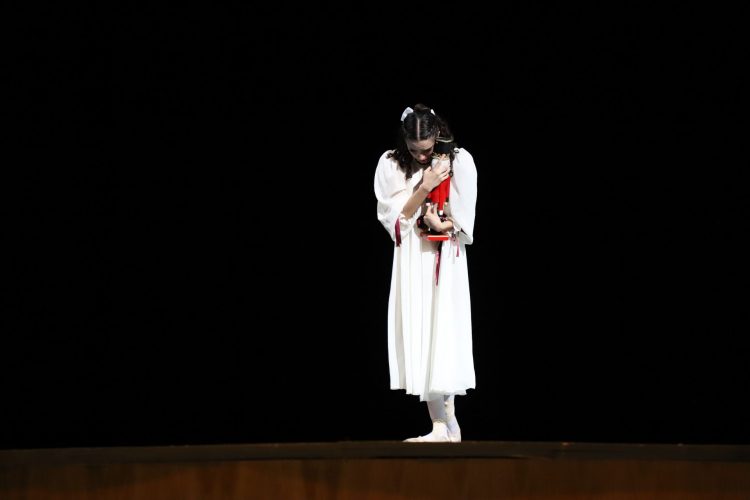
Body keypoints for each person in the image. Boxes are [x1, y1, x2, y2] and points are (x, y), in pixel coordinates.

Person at [374, 103, 478, 442]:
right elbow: (395, 218)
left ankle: (446, 425)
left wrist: (442, 223)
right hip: (413, 257)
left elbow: (464, 220)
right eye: (415, 150)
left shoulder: (459, 161)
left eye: (427, 150)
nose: (421, 156)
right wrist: (425, 185)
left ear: (437, 136)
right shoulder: (391, 163)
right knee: (422, 332)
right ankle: (443, 425)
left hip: (445, 256)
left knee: (442, 330)